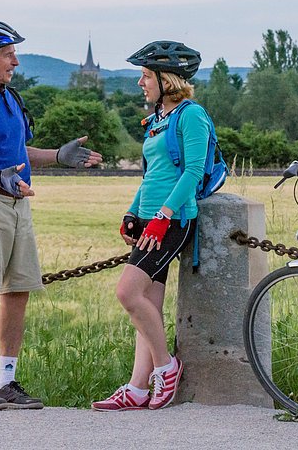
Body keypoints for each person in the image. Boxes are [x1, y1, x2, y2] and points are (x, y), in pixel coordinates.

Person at [0, 20, 103, 410]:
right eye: (8, 53)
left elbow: (17, 153)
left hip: (19, 206)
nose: (15, 60)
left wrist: (57, 157)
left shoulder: (10, 99)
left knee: (17, 294)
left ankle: (6, 383)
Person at [92, 40, 208, 411]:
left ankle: (166, 367)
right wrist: (132, 212)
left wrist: (163, 217)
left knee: (128, 293)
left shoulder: (191, 115)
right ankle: (137, 388)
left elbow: (191, 172)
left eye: (145, 76)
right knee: (148, 306)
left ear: (166, 79)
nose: (140, 83)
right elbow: (152, 175)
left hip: (172, 220)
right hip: (148, 218)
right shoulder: (158, 120)